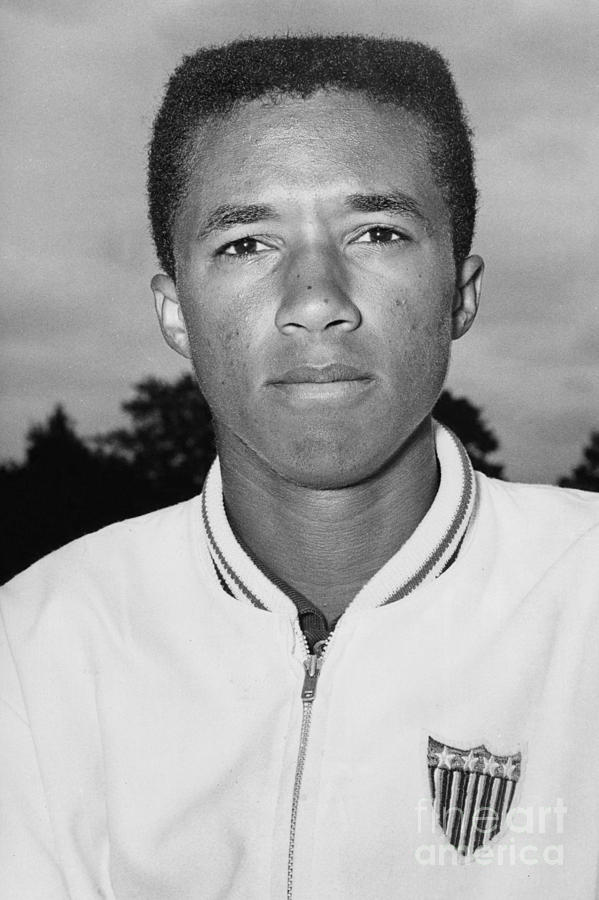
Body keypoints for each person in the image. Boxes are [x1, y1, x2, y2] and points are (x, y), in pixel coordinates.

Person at [1, 34, 598, 900]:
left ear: (458, 294)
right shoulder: (36, 648)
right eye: (246, 243)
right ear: (175, 312)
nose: (316, 300)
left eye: (378, 232)